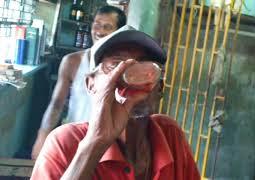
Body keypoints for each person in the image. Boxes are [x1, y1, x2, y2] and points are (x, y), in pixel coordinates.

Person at [31, 25, 200, 180]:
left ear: (160, 88)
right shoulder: (64, 143)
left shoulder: (169, 134)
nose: (133, 78)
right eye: (116, 65)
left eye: (145, 67)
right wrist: (95, 143)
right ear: (91, 85)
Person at [31, 5, 127, 159]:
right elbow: (56, 104)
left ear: (119, 32)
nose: (99, 31)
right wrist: (42, 136)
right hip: (73, 137)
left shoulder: (125, 68)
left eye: (107, 27)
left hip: (107, 145)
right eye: (96, 24)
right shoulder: (72, 62)